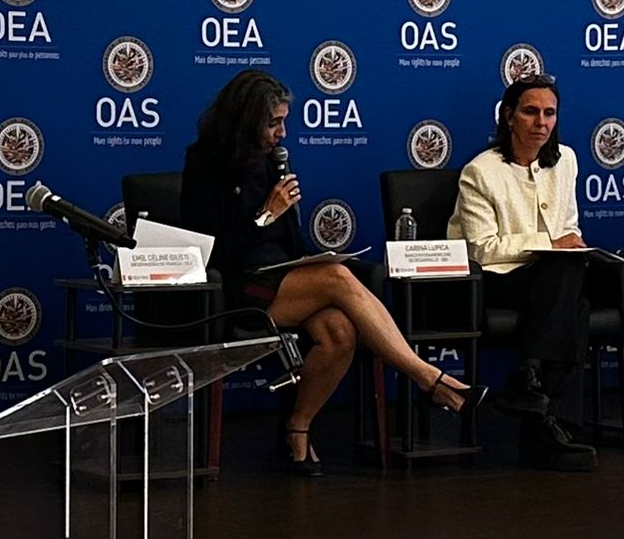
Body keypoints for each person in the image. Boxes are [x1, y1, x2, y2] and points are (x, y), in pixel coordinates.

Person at [179, 70, 486, 475]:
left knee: (339, 331)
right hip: (236, 285)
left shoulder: (273, 162)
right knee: (339, 280)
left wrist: (312, 257)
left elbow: (287, 240)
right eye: (274, 123)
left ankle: (298, 428)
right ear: (246, 119)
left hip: (282, 275)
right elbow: (209, 249)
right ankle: (431, 379)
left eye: (284, 121)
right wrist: (264, 215)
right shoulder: (205, 163)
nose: (282, 133)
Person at [447, 74, 598, 470]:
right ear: (509, 117)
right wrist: (551, 246)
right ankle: (554, 425)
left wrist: (565, 246)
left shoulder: (566, 160)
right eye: (531, 112)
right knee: (568, 287)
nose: (541, 122)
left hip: (548, 281)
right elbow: (481, 249)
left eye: (549, 113)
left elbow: (569, 227)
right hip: (495, 280)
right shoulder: (480, 171)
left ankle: (533, 392)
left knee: (572, 289)